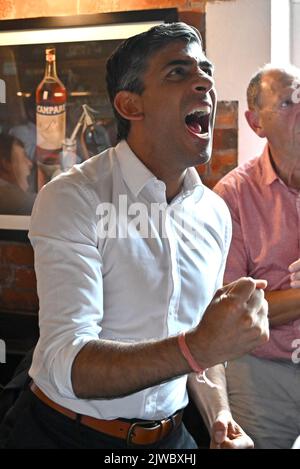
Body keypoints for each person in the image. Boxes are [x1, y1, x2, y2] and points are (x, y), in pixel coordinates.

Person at [3, 23, 268, 450]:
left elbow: (201, 345)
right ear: (130, 104)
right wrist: (197, 347)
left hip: (170, 440)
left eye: (206, 71)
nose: (205, 82)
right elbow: (68, 361)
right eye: (178, 72)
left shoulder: (214, 212)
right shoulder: (73, 198)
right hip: (68, 434)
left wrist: (220, 416)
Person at [214, 64, 300, 449]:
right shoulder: (232, 196)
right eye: (286, 103)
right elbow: (234, 312)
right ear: (255, 123)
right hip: (263, 376)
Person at [0, 133, 35, 215]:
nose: (30, 163)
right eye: (24, 157)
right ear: (7, 163)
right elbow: (46, 204)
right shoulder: (8, 195)